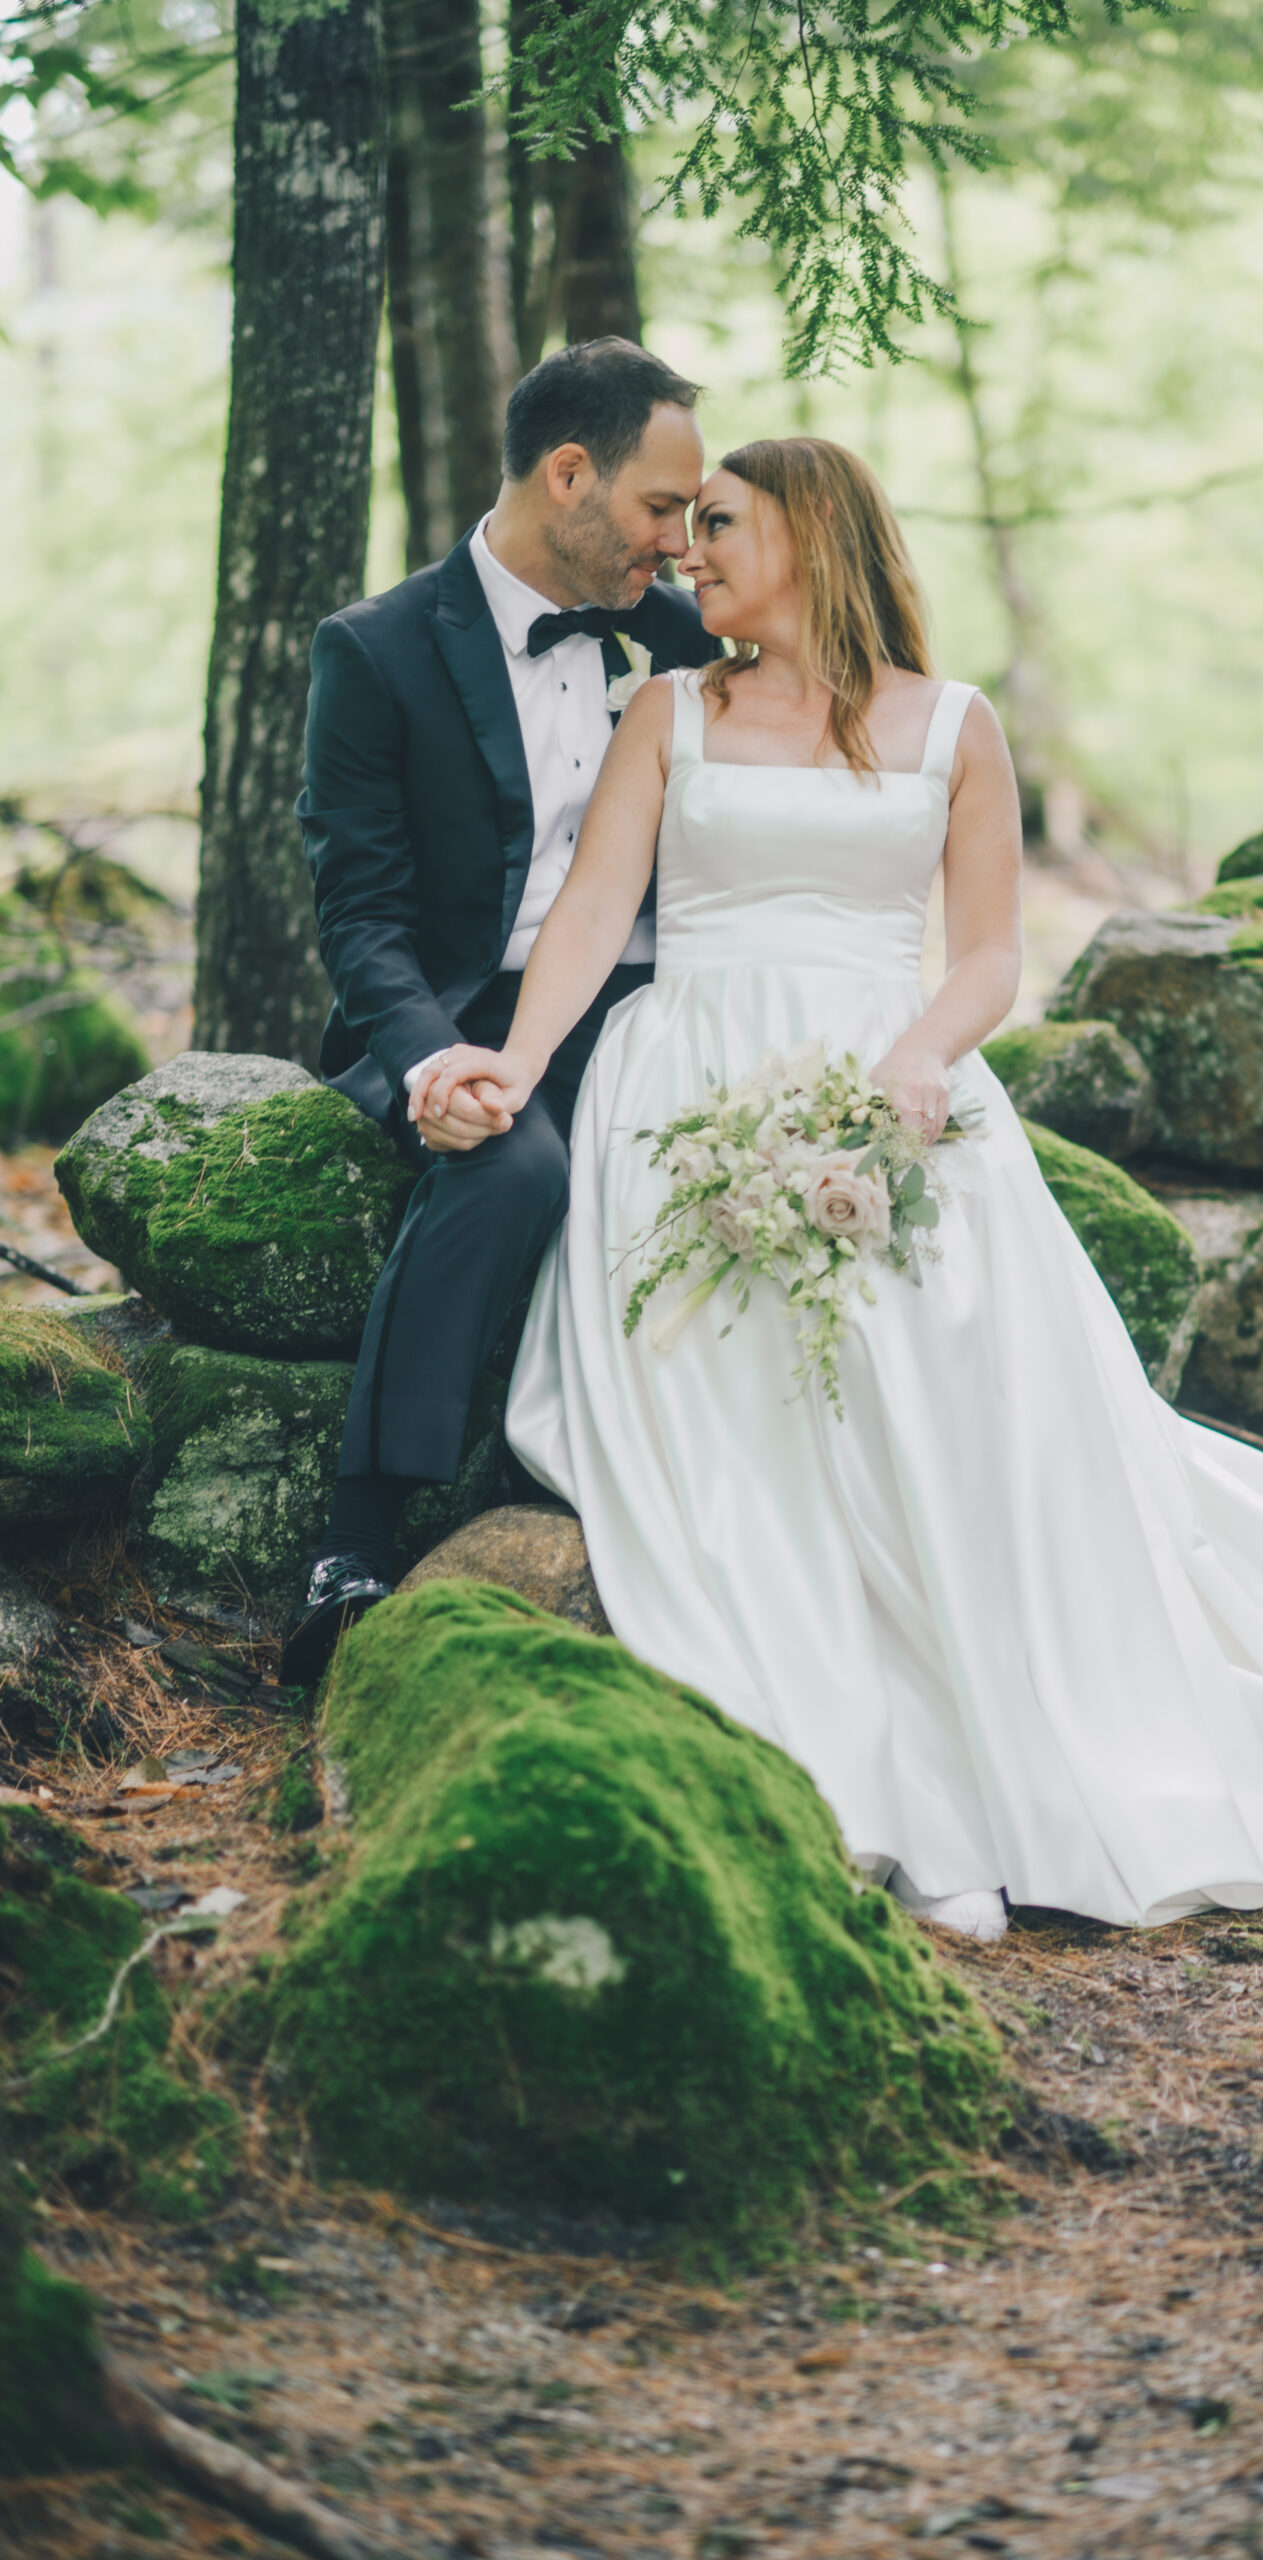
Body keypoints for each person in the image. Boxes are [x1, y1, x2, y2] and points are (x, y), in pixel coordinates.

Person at [409, 436, 1263, 1940]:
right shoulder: (668, 709)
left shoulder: (953, 724)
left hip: (894, 1092)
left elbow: (987, 954)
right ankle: (843, 1755)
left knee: (957, 1421)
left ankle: (1013, 1745)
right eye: (688, 528)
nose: (688, 555)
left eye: (720, 527)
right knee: (731, 1414)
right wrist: (520, 1069)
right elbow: (597, 912)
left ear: (813, 535)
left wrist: (922, 1054)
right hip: (686, 1092)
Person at [281, 339, 725, 1689]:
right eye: (662, 508)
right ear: (569, 474)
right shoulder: (377, 650)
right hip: (470, 1007)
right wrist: (431, 1063)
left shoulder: (681, 632)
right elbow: (360, 912)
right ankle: (360, 1541)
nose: (681, 541)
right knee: (511, 1165)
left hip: (658, 1004)